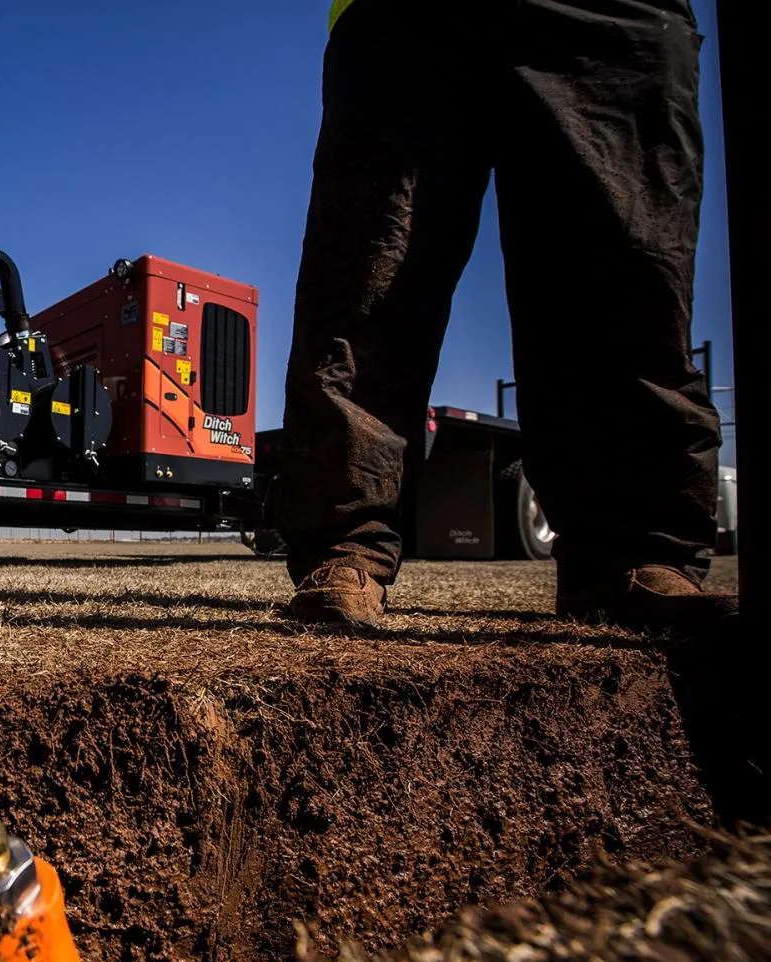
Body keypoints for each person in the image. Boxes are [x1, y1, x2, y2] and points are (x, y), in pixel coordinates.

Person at [275, 0, 736, 630]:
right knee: (365, 285)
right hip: (398, 15)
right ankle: (344, 546)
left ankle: (632, 557)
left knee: (625, 279)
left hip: (613, 16)